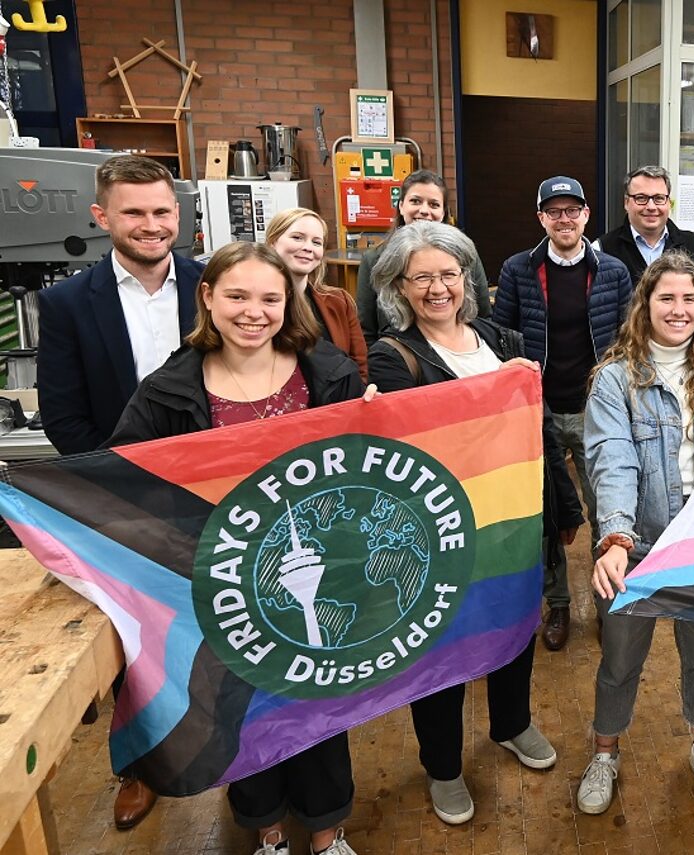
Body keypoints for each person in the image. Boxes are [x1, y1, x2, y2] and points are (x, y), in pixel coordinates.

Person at [107, 241, 367, 855]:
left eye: (270, 298)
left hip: (317, 575)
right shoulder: (167, 390)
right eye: (238, 296)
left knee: (318, 706)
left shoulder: (328, 373)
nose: (255, 311)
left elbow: (361, 471)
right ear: (208, 298)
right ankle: (267, 829)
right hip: (220, 589)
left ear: (290, 301)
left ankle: (327, 831)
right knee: (240, 714)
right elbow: (123, 481)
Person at [367, 220, 580, 826]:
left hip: (514, 523)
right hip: (440, 535)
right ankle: (443, 766)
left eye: (449, 274)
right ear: (400, 288)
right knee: (442, 648)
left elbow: (537, 436)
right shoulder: (396, 354)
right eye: (422, 277)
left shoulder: (504, 340)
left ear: (468, 279)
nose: (438, 288)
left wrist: (564, 507)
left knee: (514, 626)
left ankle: (511, 723)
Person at [35, 153, 203, 830]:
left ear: (179, 215)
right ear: (101, 216)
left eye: (162, 211)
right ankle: (140, 767)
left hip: (209, 491)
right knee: (138, 642)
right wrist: (118, 488)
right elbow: (64, 418)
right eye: (134, 212)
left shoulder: (211, 285)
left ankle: (239, 753)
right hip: (120, 502)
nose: (151, 225)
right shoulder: (69, 303)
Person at [576, 252, 694, 816]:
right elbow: (613, 460)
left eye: (690, 299)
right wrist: (617, 539)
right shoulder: (614, 378)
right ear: (645, 306)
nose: (678, 309)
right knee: (620, 660)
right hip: (638, 544)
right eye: (666, 298)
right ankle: (605, 753)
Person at [493, 175, 634, 651]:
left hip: (600, 410)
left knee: (606, 510)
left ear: (587, 215)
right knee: (549, 514)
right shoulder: (518, 269)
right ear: (541, 219)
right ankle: (558, 604)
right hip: (541, 412)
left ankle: (610, 604)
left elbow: (627, 338)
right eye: (554, 211)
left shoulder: (612, 271)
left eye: (572, 209)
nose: (564, 218)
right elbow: (504, 337)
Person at [354, 170, 491, 342]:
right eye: (415, 201)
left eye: (434, 204)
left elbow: (483, 316)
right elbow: (366, 330)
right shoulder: (374, 260)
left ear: (443, 213)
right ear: (401, 206)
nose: (424, 210)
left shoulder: (465, 254)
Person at [593, 165, 694, 320]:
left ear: (669, 203)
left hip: (683, 344)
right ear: (626, 202)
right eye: (641, 198)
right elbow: (597, 316)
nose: (651, 207)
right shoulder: (602, 249)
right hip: (628, 344)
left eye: (659, 198)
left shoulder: (693, 245)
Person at [265, 207, 369, 379]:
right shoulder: (255, 305)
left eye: (316, 242)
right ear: (272, 243)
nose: (308, 248)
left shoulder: (338, 301)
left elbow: (360, 367)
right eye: (297, 238)